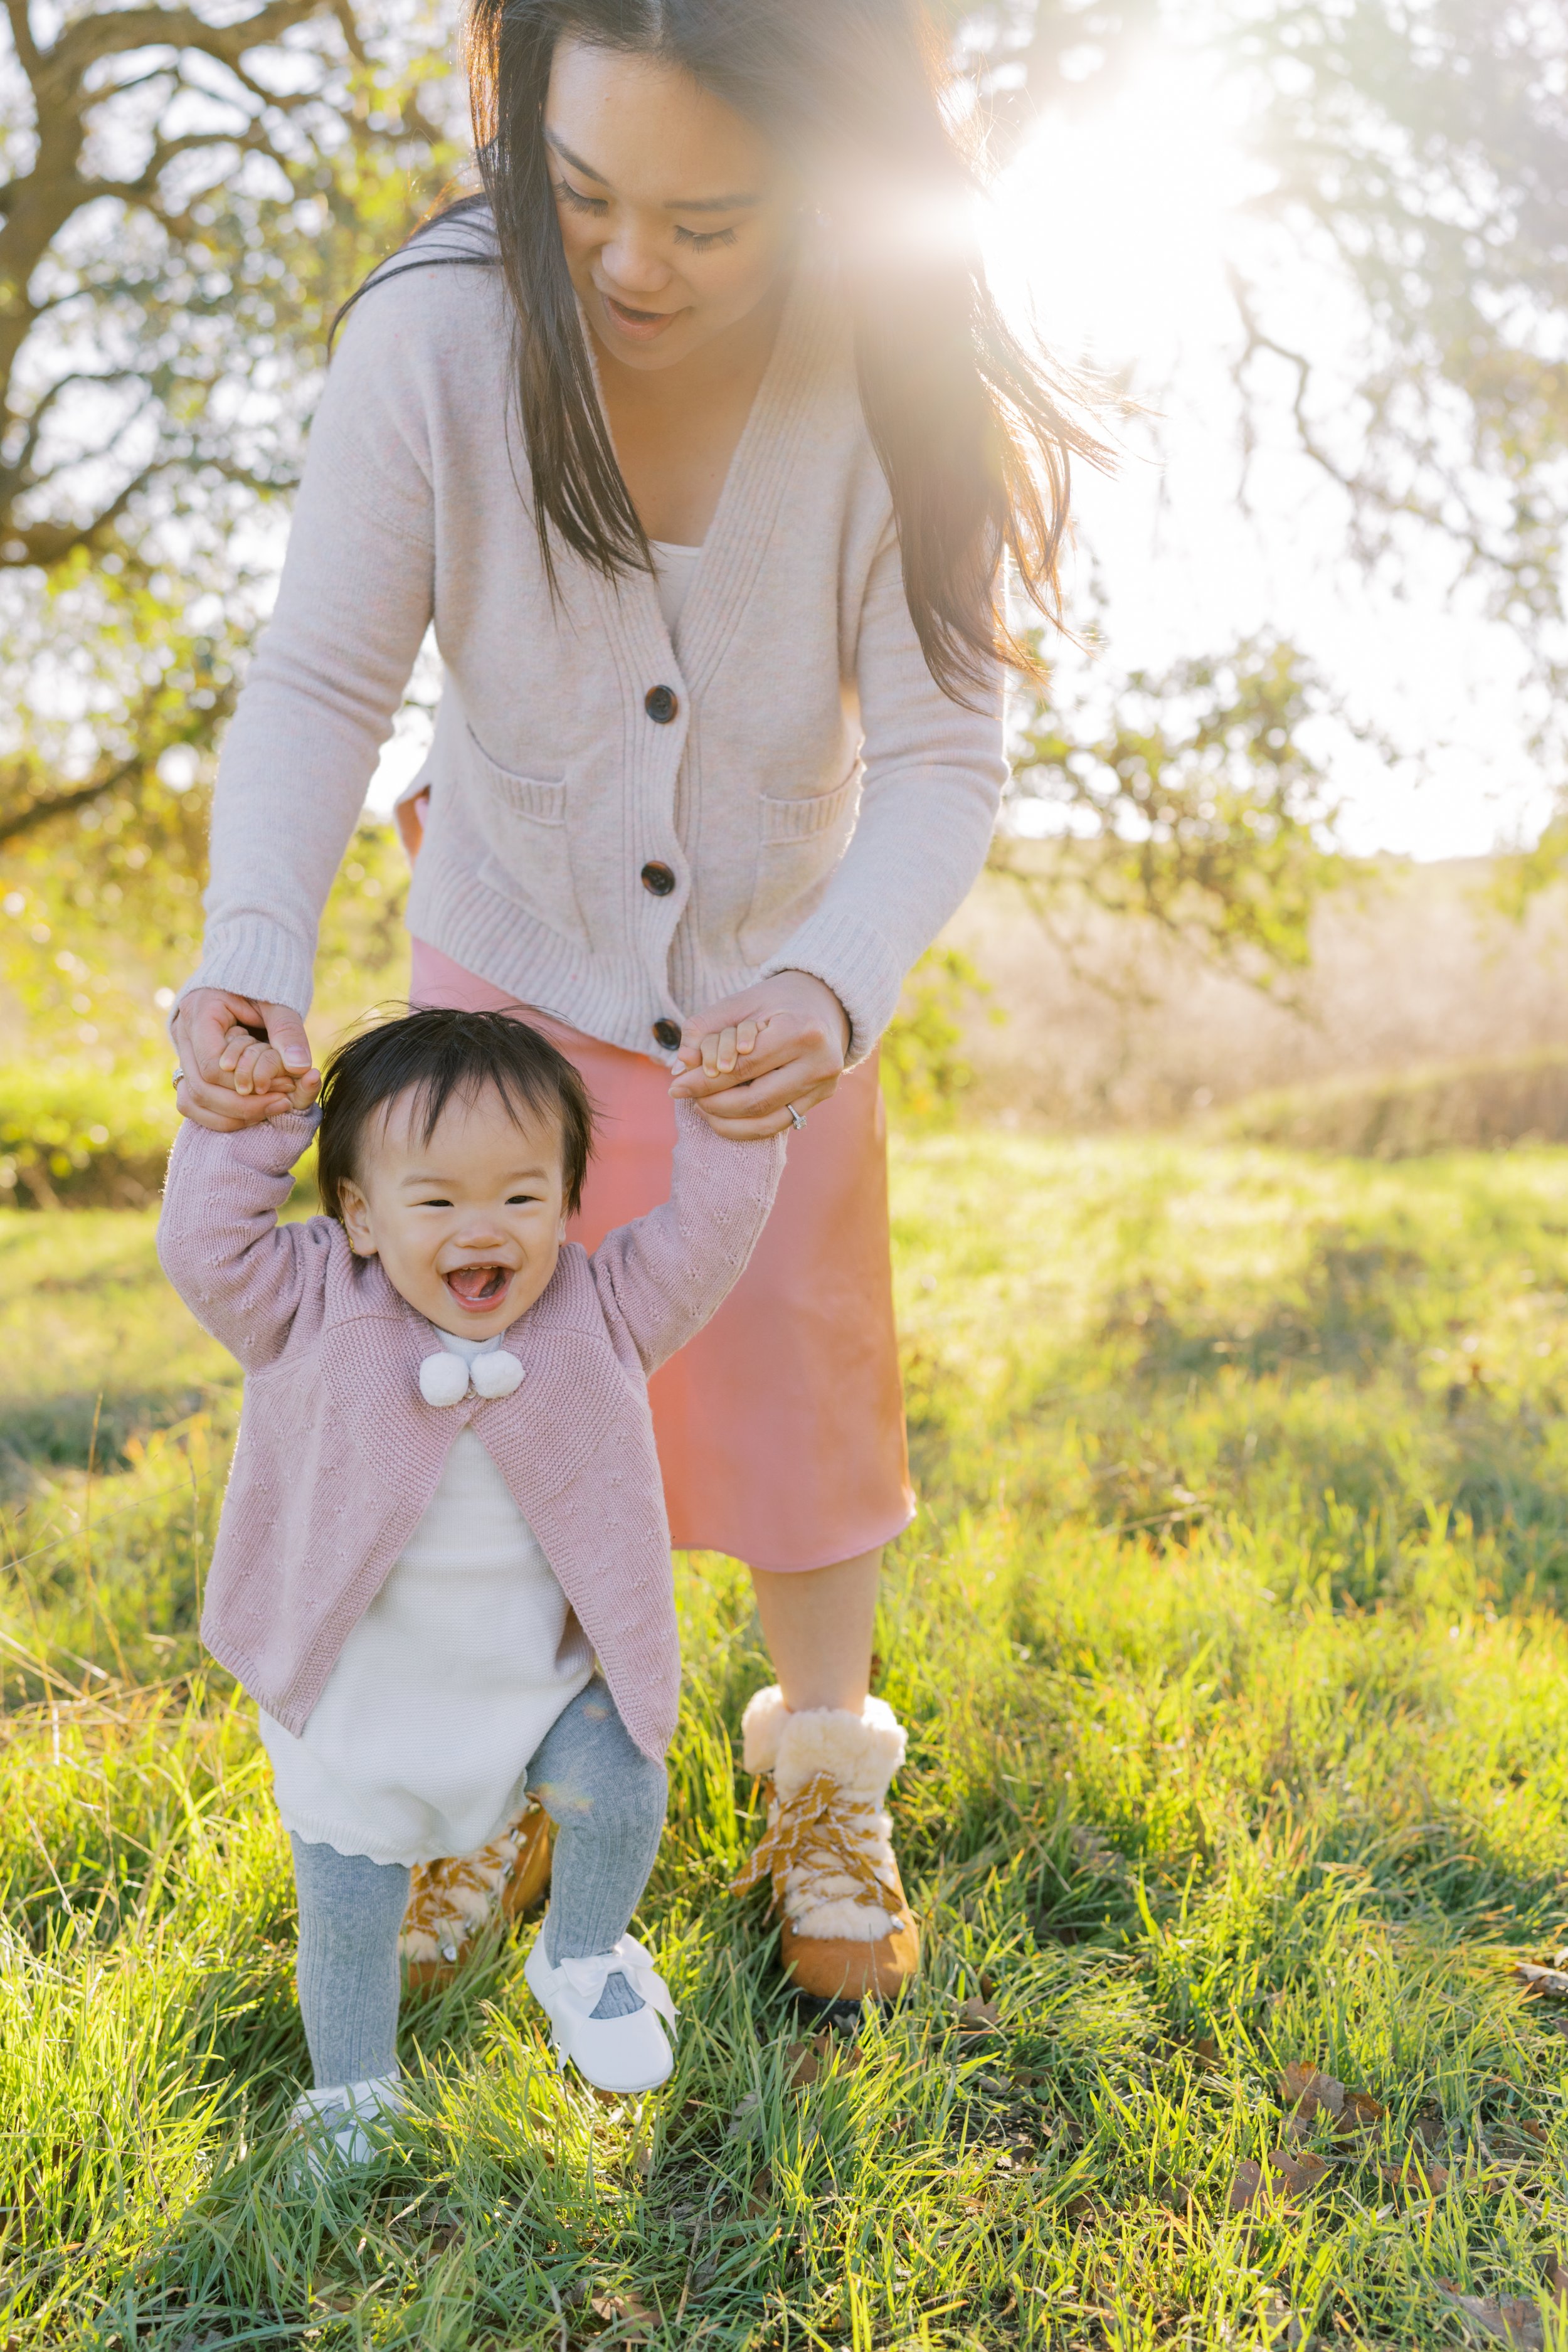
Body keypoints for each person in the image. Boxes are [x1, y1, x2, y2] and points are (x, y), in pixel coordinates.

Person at [167, 0, 1099, 2001]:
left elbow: (944, 753)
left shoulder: (887, 372)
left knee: (795, 1366)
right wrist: (252, 947)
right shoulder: (431, 337)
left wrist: (830, 981)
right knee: (479, 1399)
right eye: (581, 193)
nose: (629, 261)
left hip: (774, 990)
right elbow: (324, 677)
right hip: (505, 959)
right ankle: (486, 1779)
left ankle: (820, 1771)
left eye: (708, 214)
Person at [158, 1007, 784, 2160]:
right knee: (349, 1921)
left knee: (624, 1777)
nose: (481, 1229)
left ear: (564, 1204)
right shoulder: (305, 1300)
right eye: (436, 1202)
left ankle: (583, 1952)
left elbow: (704, 1238)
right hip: (361, 1704)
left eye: (521, 1196)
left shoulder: (601, 1307)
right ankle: (353, 2090)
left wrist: (728, 1124)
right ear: (357, 1211)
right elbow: (205, 1249)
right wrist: (253, 1124)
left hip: (537, 1690)